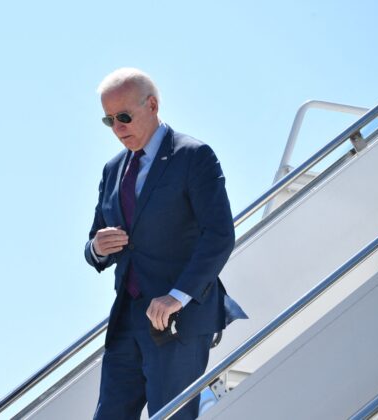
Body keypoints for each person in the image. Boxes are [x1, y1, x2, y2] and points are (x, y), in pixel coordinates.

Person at [84, 68, 246, 420]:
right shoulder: (113, 170)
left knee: (170, 416)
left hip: (179, 320)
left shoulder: (193, 156)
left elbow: (219, 235)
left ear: (153, 105)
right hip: (127, 320)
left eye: (124, 116)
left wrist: (178, 295)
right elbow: (94, 244)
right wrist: (97, 248)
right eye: (109, 120)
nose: (118, 128)